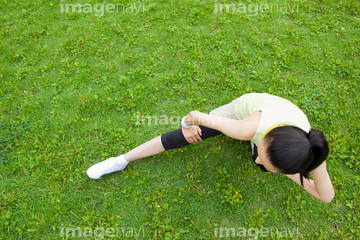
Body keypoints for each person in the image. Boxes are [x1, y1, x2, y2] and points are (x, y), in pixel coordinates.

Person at [86, 93, 334, 203]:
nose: (257, 161)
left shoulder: (310, 150)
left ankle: (269, 155)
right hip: (245, 112)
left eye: (262, 158)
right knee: (189, 136)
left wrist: (299, 170)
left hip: (275, 130)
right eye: (261, 155)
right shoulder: (242, 128)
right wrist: (186, 125)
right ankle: (121, 159)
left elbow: (326, 196)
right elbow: (195, 115)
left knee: (264, 161)